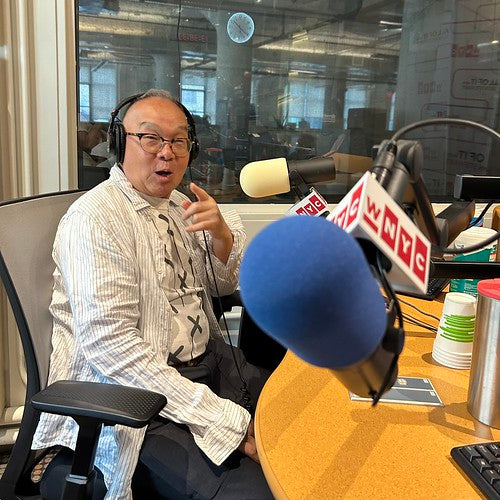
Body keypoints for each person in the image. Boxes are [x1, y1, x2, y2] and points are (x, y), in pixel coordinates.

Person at [32, 89, 273, 499]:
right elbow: (115, 350)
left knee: (300, 418)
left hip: (207, 366)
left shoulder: (180, 204)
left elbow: (221, 287)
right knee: (260, 489)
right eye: (150, 138)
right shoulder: (95, 220)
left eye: (179, 140)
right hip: (137, 399)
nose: (167, 152)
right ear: (118, 143)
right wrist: (226, 423)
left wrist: (221, 237)